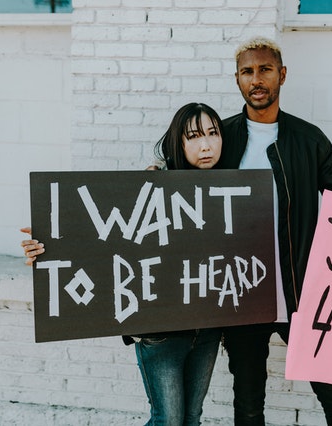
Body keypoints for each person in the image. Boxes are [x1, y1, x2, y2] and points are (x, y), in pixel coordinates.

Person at [216, 37, 332, 426]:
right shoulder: (221, 137)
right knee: (248, 403)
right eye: (247, 71)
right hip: (242, 292)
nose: (257, 79)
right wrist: (157, 174)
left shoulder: (308, 139)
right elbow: (185, 180)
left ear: (282, 75)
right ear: (236, 80)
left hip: (300, 288)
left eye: (265, 69)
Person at [21, 102, 225, 426]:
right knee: (168, 420)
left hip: (208, 328)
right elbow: (104, 233)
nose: (206, 145)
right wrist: (50, 245)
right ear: (178, 142)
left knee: (191, 418)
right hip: (161, 331)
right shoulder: (150, 183)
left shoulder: (232, 189)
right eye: (194, 136)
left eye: (213, 134)